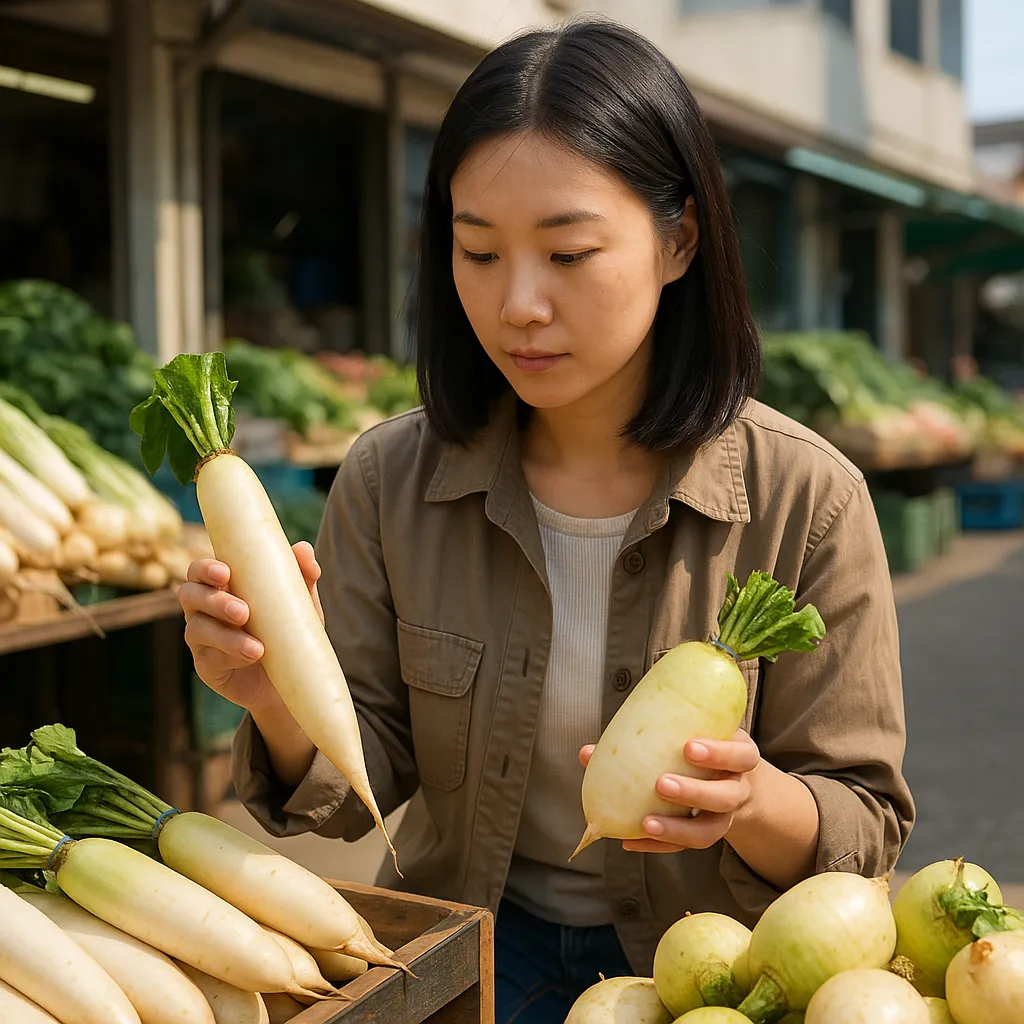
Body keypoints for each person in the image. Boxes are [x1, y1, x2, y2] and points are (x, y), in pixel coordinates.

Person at [179, 19, 914, 1023]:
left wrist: (748, 801)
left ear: (679, 240)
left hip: (719, 973)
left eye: (567, 253)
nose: (517, 303)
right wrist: (271, 697)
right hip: (474, 952)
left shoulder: (807, 499)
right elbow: (360, 779)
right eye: (476, 250)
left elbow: (863, 825)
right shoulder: (389, 477)